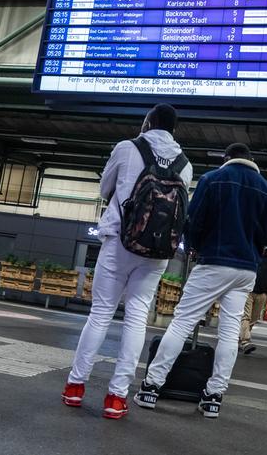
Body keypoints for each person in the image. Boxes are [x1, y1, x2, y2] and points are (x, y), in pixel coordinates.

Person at [62, 104, 192, 420]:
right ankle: (117, 398)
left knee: (101, 313)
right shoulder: (186, 165)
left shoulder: (128, 148)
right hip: (158, 252)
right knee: (136, 317)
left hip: (120, 242)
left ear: (148, 122)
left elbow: (105, 189)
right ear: (174, 130)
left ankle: (76, 387)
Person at [135, 143, 267, 419]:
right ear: (251, 160)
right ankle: (214, 396)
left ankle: (151, 387)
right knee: (229, 332)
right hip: (246, 270)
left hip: (213, 262)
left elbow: (194, 220)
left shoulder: (212, 180)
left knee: (182, 322)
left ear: (227, 158)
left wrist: (195, 245)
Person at [238, 247, 267, 354]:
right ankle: (245, 340)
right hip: (248, 290)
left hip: (262, 294)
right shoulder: (251, 251)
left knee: (253, 319)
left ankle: (241, 339)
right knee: (246, 316)